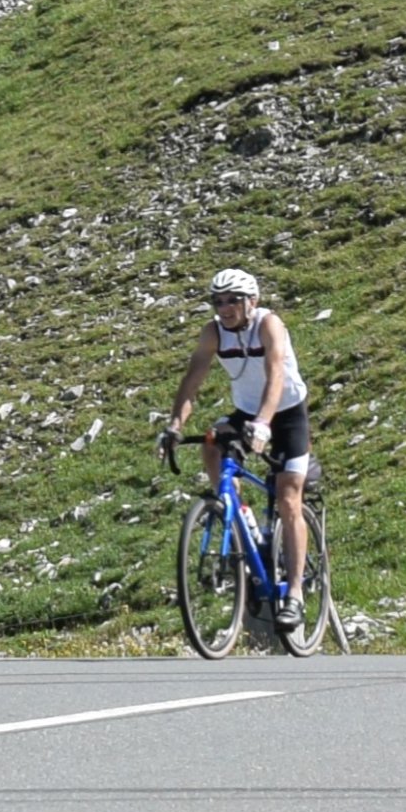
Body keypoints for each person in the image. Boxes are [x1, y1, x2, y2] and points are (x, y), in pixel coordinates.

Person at [165, 267, 314, 628]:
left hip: (287, 412)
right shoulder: (213, 332)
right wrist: (174, 425)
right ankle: (236, 514)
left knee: (288, 497)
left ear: (253, 301)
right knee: (212, 442)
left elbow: (275, 372)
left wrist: (264, 423)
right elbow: (193, 379)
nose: (225, 308)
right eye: (218, 301)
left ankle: (294, 593)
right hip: (247, 411)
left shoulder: (269, 324)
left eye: (233, 300)